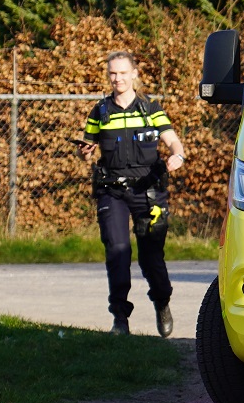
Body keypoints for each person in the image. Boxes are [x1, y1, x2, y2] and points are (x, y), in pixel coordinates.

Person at [76, 51, 186, 336]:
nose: (118, 79)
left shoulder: (150, 108)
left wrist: (178, 156)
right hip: (112, 192)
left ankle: (162, 302)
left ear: (134, 74)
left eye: (123, 73)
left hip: (148, 192)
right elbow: (86, 146)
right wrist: (84, 151)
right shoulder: (100, 111)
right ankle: (120, 320)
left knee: (151, 258)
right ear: (108, 75)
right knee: (117, 252)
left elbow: (172, 140)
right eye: (113, 73)